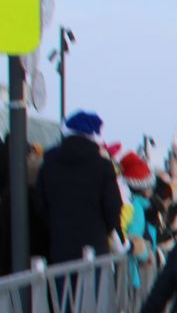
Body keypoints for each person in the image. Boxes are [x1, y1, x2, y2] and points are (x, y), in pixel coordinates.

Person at [34, 112, 123, 263]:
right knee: (95, 286)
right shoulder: (103, 166)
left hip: (60, 248)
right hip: (95, 248)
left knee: (62, 285)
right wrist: (103, 229)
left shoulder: (49, 165)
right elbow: (113, 207)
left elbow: (40, 205)